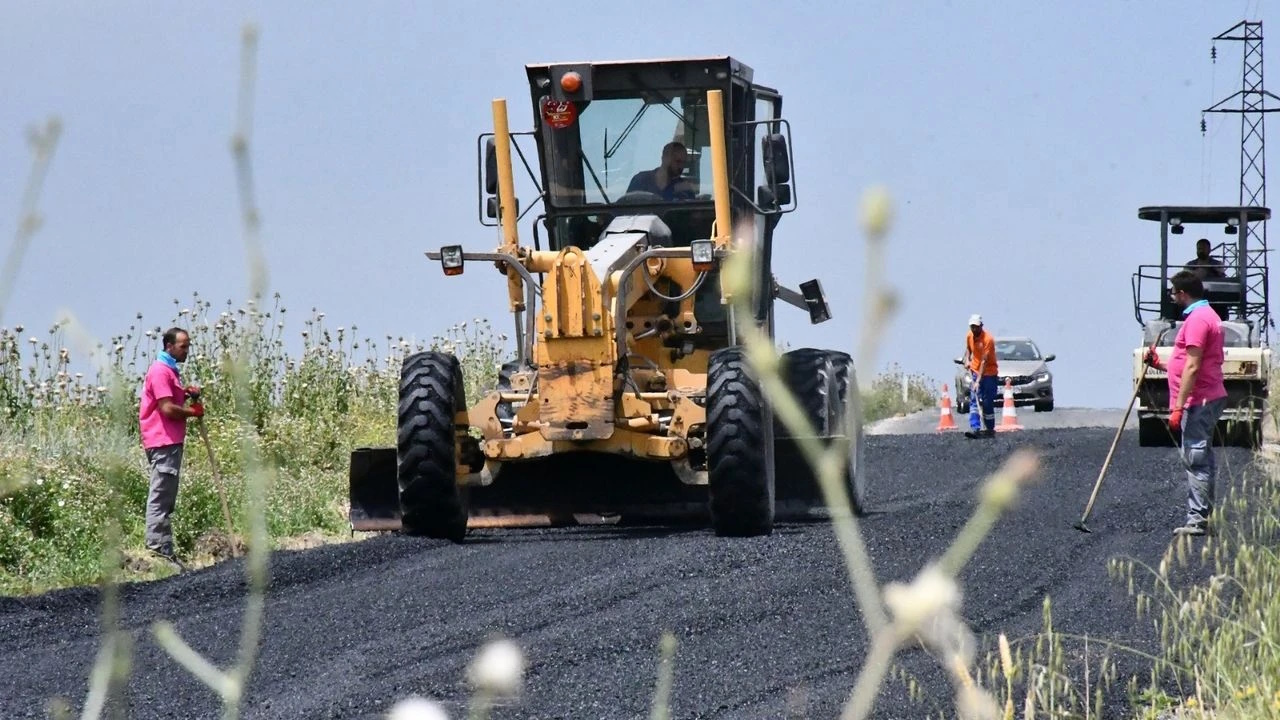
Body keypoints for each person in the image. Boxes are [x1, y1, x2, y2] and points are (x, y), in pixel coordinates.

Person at [1144, 270, 1227, 536]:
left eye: (1173, 292)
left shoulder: (1198, 321)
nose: (1171, 297)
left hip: (1198, 398)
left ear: (1182, 293)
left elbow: (1192, 366)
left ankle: (1197, 520)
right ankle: (1202, 514)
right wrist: (1158, 364)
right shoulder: (1204, 316)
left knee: (1196, 457)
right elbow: (1184, 364)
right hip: (1205, 394)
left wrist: (1178, 407)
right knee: (1201, 455)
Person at [138, 327, 205, 569]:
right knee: (161, 495)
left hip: (169, 440)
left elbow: (170, 398)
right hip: (162, 440)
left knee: (167, 497)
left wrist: (185, 394)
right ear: (169, 346)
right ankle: (157, 550)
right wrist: (191, 412)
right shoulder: (159, 371)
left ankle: (165, 549)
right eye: (183, 346)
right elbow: (166, 408)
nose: (187, 350)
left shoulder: (169, 371)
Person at [962, 314, 999, 439]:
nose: (974, 329)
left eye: (976, 327)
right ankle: (975, 428)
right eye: (972, 327)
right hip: (974, 370)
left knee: (987, 401)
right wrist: (967, 359)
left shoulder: (988, 339)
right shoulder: (969, 336)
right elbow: (968, 349)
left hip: (989, 373)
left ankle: (989, 428)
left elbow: (984, 361)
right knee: (974, 399)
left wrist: (978, 380)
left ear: (981, 326)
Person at [627, 141, 697, 200]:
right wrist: (673, 190)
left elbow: (693, 214)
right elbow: (627, 206)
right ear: (664, 158)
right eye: (677, 161)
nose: (681, 166)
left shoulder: (685, 190)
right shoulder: (641, 180)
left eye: (683, 163)